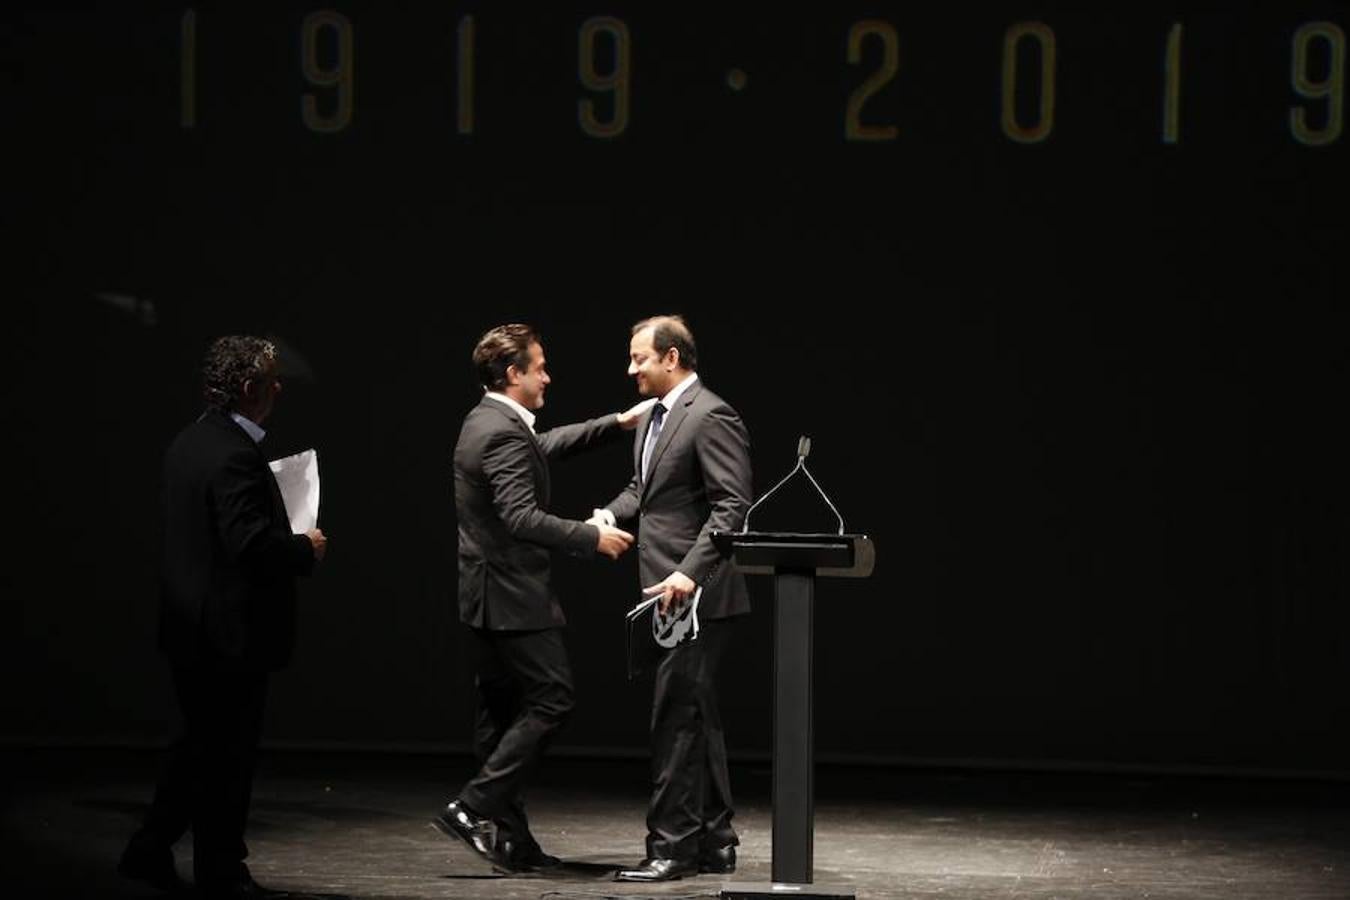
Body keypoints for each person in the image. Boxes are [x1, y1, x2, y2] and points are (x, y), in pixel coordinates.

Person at [118, 336, 328, 899]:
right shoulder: (234, 452)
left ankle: (148, 849)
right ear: (247, 388)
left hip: (190, 625)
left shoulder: (189, 442)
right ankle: (221, 869)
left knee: (195, 751)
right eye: (271, 378)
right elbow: (249, 545)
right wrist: (304, 547)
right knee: (226, 759)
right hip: (227, 633)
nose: (279, 387)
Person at [433, 323, 643, 873]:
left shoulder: (489, 420)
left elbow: (539, 448)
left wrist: (615, 424)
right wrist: (591, 537)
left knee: (499, 718)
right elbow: (520, 516)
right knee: (553, 699)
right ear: (514, 374)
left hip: (483, 594)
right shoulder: (500, 431)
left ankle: (512, 842)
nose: (548, 377)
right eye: (540, 367)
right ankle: (473, 808)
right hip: (509, 594)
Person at [590, 315, 753, 882]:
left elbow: (731, 505)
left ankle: (672, 848)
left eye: (639, 358)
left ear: (672, 359)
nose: (631, 368)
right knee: (695, 715)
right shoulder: (654, 419)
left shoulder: (711, 414)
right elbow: (645, 488)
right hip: (668, 596)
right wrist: (609, 514)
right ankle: (715, 840)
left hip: (697, 595)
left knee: (675, 720)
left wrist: (688, 573)